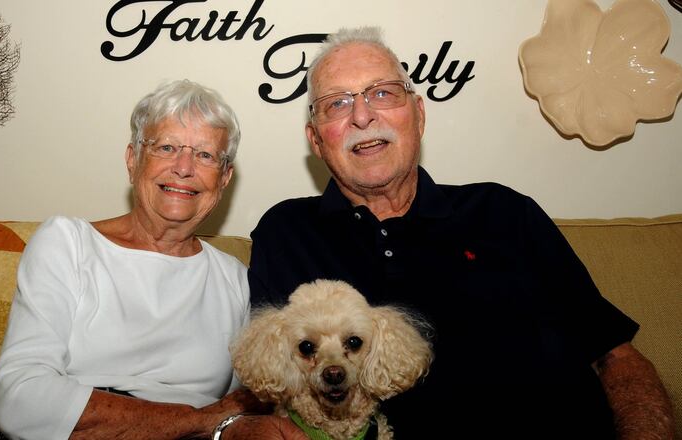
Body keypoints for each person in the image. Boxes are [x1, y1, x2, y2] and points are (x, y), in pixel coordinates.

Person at [243, 27, 674, 439]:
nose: (362, 115)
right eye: (337, 103)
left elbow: (616, 356)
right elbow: (267, 392)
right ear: (316, 141)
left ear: (419, 113)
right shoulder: (287, 233)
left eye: (383, 93)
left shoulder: (505, 211)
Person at [0, 80, 295, 440]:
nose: (184, 167)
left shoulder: (234, 278)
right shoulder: (68, 243)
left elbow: (238, 408)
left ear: (224, 178)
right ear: (132, 160)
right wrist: (199, 419)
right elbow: (20, 398)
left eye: (205, 155)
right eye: (167, 147)